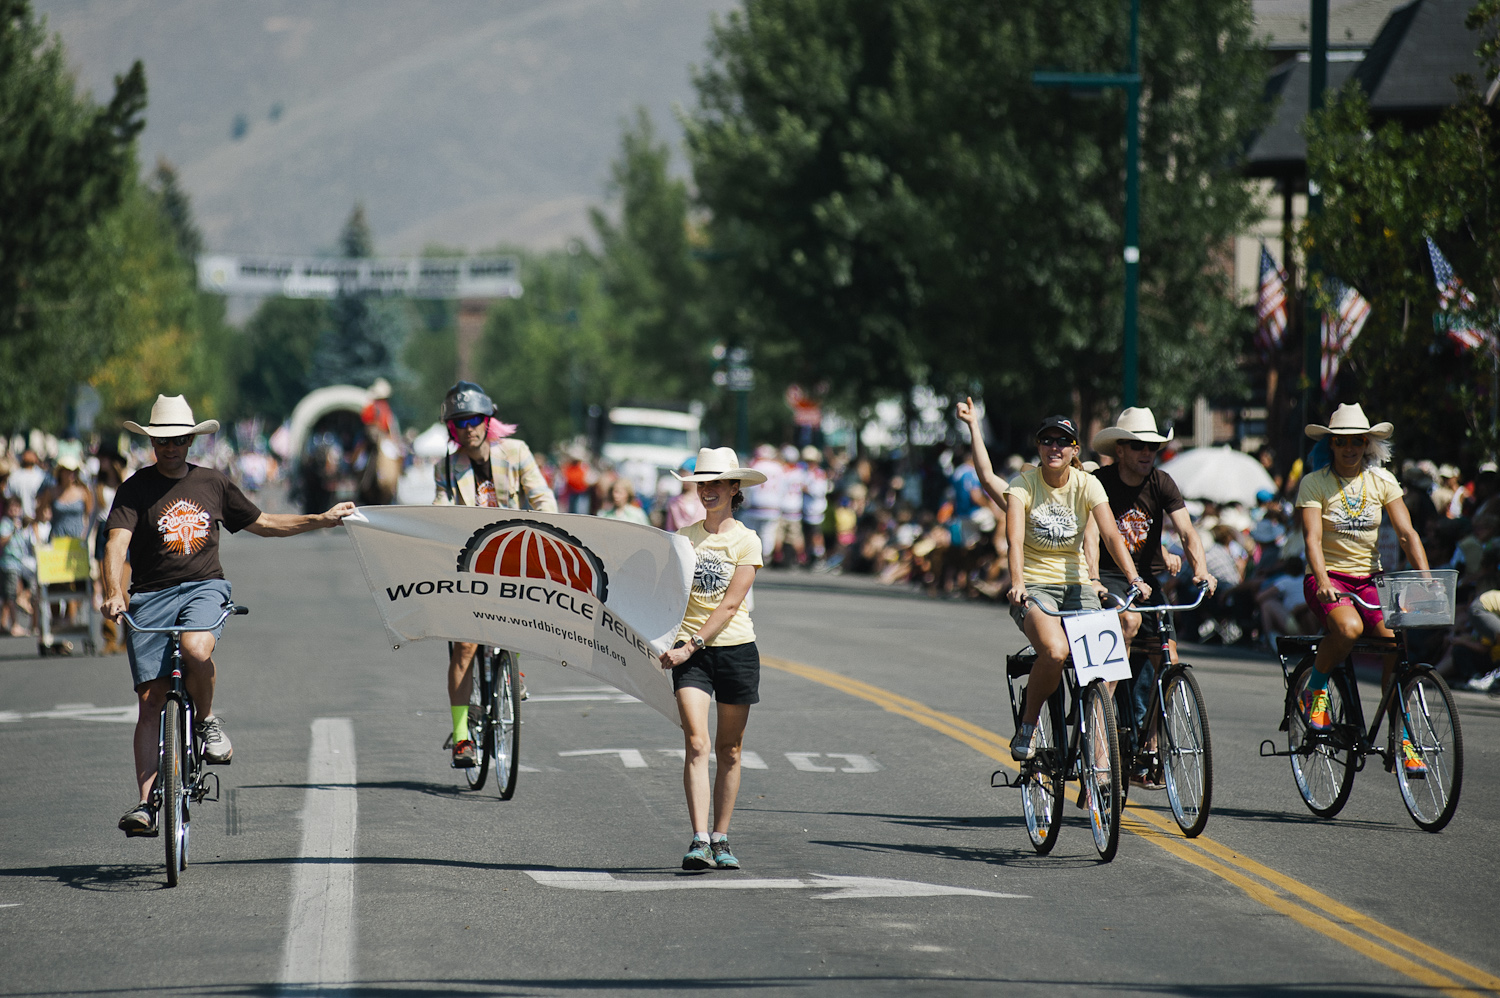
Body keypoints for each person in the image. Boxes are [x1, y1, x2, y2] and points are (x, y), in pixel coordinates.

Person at [103, 395, 355, 837]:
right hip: (149, 595)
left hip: (204, 588)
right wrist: (113, 592)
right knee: (150, 702)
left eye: (179, 439)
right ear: (152, 442)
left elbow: (264, 523)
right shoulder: (134, 488)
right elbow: (116, 544)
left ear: (190, 440)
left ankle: (204, 721)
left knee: (196, 647)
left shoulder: (212, 483)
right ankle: (145, 806)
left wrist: (323, 519)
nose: (171, 447)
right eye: (162, 440)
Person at [956, 402, 1150, 761]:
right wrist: (1017, 583)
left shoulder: (1087, 486)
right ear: (1039, 447)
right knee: (1057, 651)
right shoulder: (1022, 486)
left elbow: (1110, 535)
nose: (1055, 447)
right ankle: (1028, 725)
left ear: (1075, 450)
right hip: (1035, 587)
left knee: (1109, 657)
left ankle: (1097, 724)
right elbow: (1013, 537)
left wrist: (1132, 577)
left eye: (1063, 441)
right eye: (1047, 441)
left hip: (1078, 588)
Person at [1295, 403, 1431, 776]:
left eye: (1358, 442)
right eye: (1342, 443)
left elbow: (1406, 533)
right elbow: (1312, 537)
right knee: (1349, 629)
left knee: (1394, 643)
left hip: (1370, 580)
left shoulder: (1382, 481)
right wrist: (1322, 581)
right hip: (1328, 578)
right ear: (1332, 445)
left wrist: (1425, 576)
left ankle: (1401, 737)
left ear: (1367, 444)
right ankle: (1314, 691)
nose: (1350, 449)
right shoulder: (1315, 482)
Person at [432, 380, 557, 767]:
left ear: (488, 420)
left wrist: (551, 531)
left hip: (513, 553)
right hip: (467, 561)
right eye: (459, 422)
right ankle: (461, 737)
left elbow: (541, 497)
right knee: (465, 647)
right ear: (452, 429)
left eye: (474, 419)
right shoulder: (448, 468)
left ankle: (511, 668)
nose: (468, 428)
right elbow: (439, 509)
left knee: (517, 610)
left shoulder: (515, 453)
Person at [1088, 408, 1215, 788]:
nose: (1147, 453)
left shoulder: (1162, 482)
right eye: (1139, 446)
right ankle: (1105, 735)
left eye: (1153, 447)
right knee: (1125, 629)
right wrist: (1093, 578)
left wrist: (1202, 569)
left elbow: (1189, 532)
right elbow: (1093, 536)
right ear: (1120, 448)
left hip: (1147, 581)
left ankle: (1151, 744)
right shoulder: (1100, 482)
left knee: (1169, 658)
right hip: (1110, 578)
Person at [656, 447, 767, 871]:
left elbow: (730, 605)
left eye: (716, 483)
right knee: (697, 743)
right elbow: (665, 593)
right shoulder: (683, 538)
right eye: (702, 484)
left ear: (734, 488)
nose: (708, 491)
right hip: (691, 656)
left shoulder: (746, 540)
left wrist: (690, 644)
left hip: (735, 651)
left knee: (731, 749)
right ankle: (699, 839)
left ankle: (722, 837)